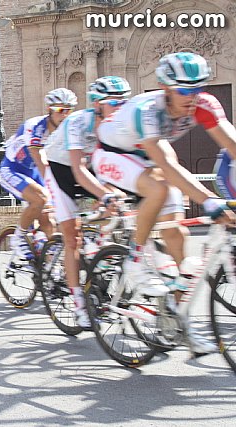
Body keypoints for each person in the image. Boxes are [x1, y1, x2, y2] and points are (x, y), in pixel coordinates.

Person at [94, 52, 236, 355]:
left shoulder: (204, 103)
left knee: (177, 234)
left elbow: (233, 145)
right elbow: (168, 165)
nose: (191, 97)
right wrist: (210, 201)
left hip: (147, 157)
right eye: (184, 90)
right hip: (111, 154)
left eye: (197, 89)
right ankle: (134, 260)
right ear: (165, 87)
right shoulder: (148, 109)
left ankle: (174, 318)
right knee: (157, 189)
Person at [43, 76, 132, 328]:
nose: (120, 108)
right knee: (73, 238)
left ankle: (98, 256)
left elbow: (117, 165)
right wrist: (104, 194)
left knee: (116, 206)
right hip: (61, 169)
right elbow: (78, 170)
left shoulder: (117, 126)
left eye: (123, 103)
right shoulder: (77, 122)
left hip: (89, 168)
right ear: (97, 105)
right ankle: (78, 303)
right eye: (114, 103)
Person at [0, 88, 77, 261]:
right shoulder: (36, 126)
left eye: (68, 110)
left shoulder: (66, 130)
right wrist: (53, 190)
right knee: (40, 198)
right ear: (50, 110)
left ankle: (50, 270)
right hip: (12, 168)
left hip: (34, 172)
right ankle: (18, 238)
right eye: (60, 110)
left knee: (49, 222)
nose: (64, 115)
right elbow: (38, 156)